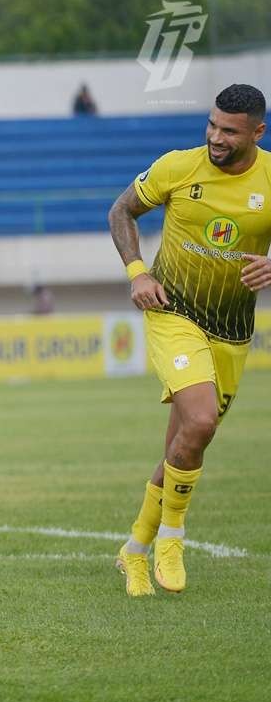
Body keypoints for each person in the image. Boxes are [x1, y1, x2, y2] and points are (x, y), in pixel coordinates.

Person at [107, 83, 270, 596]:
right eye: (212, 125)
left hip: (232, 330)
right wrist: (137, 272)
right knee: (200, 421)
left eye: (229, 131)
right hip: (172, 311)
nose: (215, 138)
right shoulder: (179, 165)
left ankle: (134, 550)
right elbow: (121, 211)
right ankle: (172, 538)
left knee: (187, 440)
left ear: (258, 133)